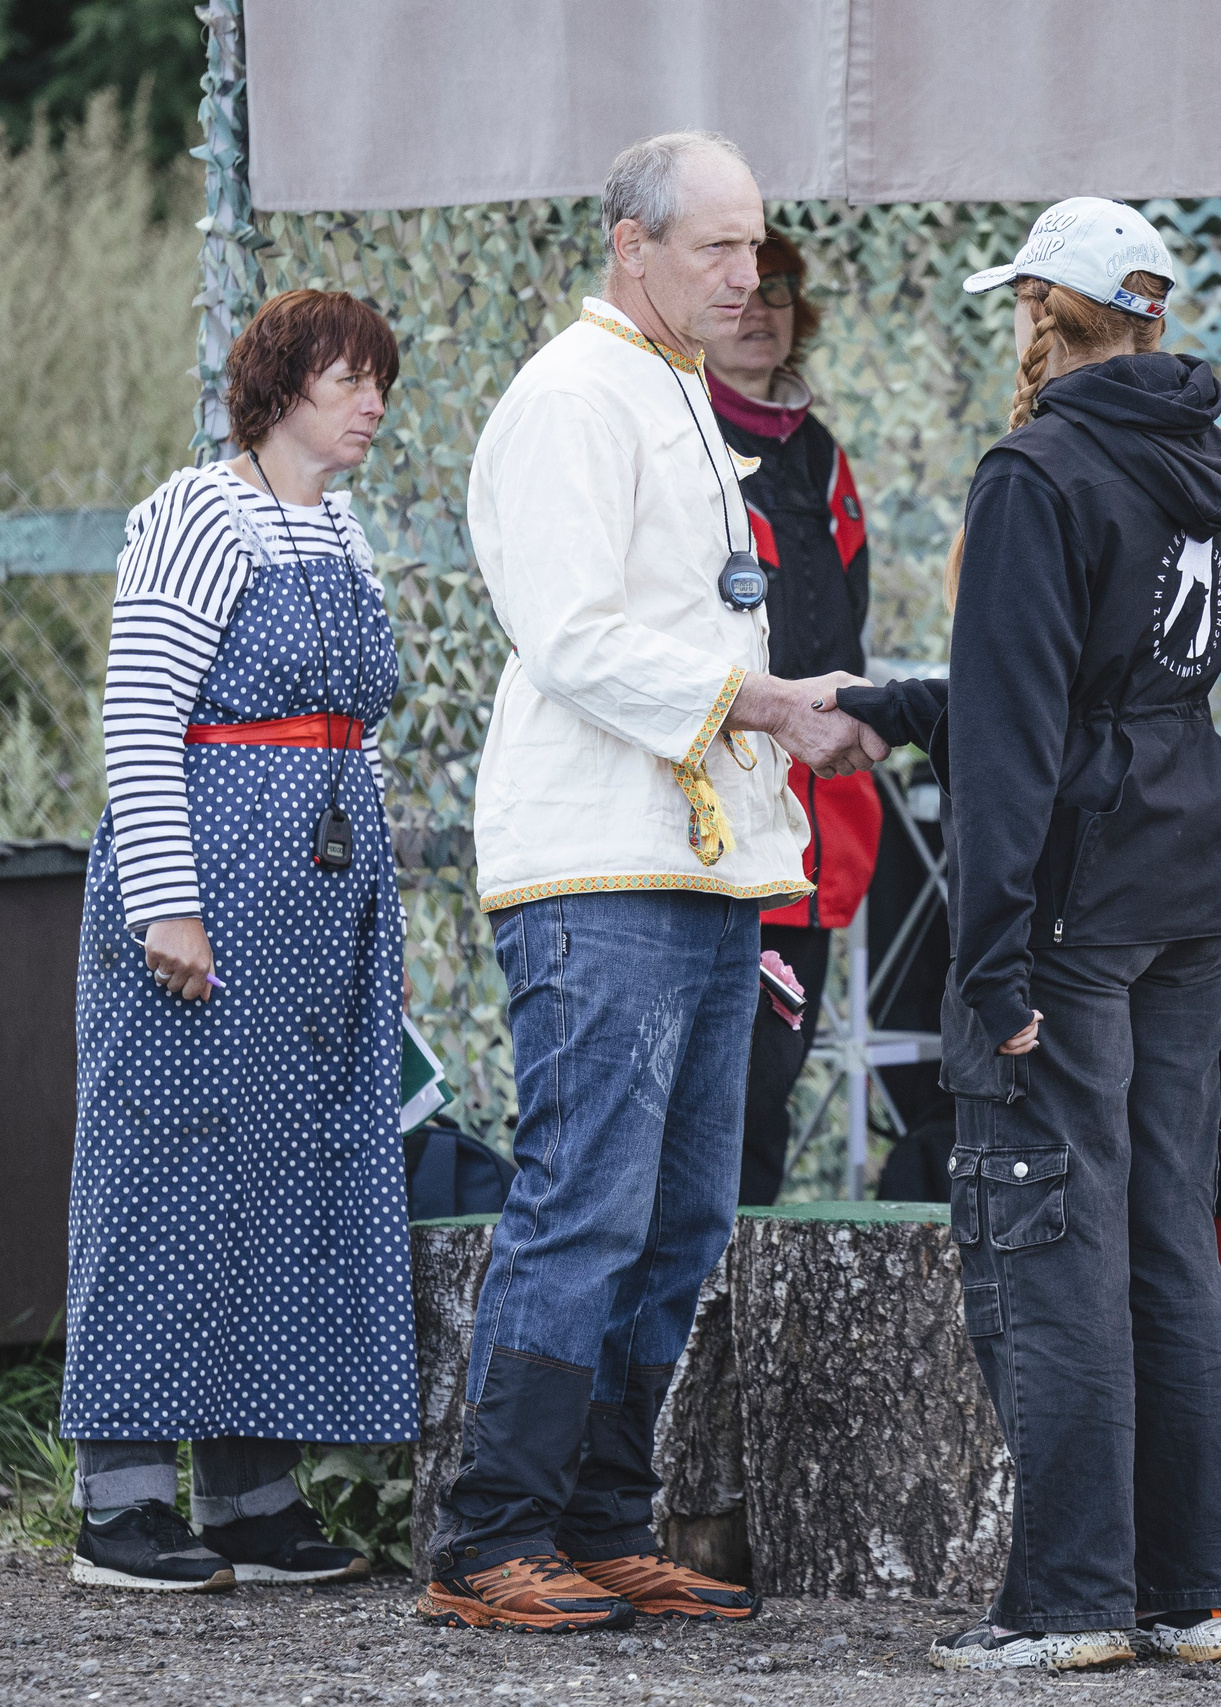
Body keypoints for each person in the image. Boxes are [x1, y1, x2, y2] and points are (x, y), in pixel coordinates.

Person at [417, 130, 883, 1635]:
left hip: (708, 858)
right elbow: (571, 634)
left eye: (757, 249)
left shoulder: (675, 387)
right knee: (583, 1202)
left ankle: (606, 1516)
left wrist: (784, 718)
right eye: (717, 250)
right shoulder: (568, 394)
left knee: (683, 1211)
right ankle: (488, 1533)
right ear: (632, 244)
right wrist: (763, 702)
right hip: (597, 859)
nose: (748, 278)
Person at [832, 200, 1221, 1672]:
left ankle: (1071, 1597)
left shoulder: (1037, 466)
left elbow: (1024, 731)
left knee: (1050, 1231)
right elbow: (1111, 678)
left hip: (1075, 898)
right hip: (1192, 875)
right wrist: (890, 702)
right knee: (1161, 1227)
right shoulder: (1186, 454)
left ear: (1041, 310)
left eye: (1018, 300)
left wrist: (990, 956)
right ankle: (1189, 1590)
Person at [58, 288, 413, 1593]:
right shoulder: (198, 511)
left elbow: (355, 733)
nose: (372, 401)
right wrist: (166, 897)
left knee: (288, 1172)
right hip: (214, 868)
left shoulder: (347, 529)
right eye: (348, 378)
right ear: (278, 385)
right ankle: (122, 1496)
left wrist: (380, 915)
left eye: (381, 380)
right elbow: (141, 710)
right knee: (170, 1163)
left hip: (322, 891)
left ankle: (254, 1493)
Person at [700, 228, 883, 1207]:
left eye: (776, 290)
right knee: (712, 1101)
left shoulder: (818, 455)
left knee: (764, 1092)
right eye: (736, 291)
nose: (759, 308)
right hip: (710, 827)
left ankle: (734, 1326)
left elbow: (844, 627)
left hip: (813, 837)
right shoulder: (675, 440)